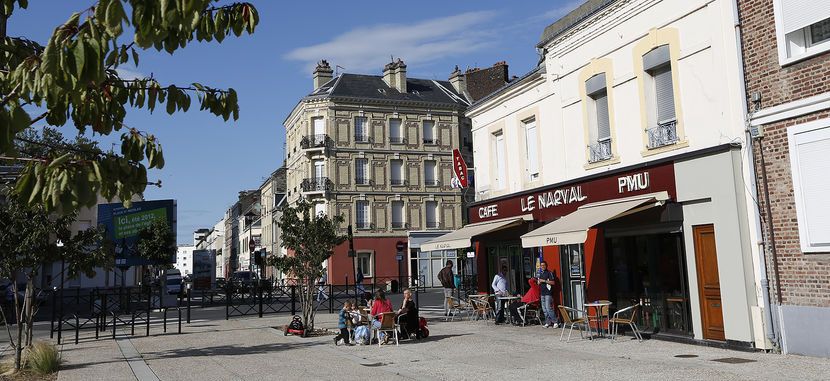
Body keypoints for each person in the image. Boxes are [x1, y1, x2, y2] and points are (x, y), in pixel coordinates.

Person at [537, 261, 559, 328]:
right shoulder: (541, 273)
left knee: (548, 308)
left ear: (546, 266)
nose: (542, 266)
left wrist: (544, 281)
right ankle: (548, 322)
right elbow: (539, 282)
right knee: (544, 309)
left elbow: (553, 282)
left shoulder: (549, 273)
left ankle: (555, 322)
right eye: (541, 265)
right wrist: (539, 282)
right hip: (542, 293)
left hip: (548, 293)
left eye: (543, 265)